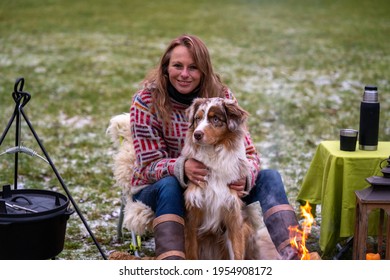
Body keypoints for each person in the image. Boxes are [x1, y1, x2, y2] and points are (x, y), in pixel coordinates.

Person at [129, 34, 300, 260]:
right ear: (165, 68)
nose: (184, 74)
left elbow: (249, 152)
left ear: (204, 71)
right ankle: (173, 265)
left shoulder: (222, 96)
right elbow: (146, 167)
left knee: (270, 177)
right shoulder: (146, 102)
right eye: (177, 66)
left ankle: (295, 256)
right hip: (162, 187)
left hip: (218, 182)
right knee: (170, 185)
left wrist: (246, 175)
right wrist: (181, 167)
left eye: (193, 68)